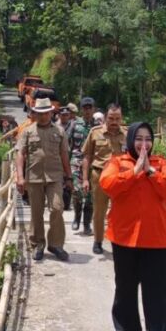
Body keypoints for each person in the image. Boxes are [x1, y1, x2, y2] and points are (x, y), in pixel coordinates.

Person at [99, 121, 166, 331]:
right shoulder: (117, 162)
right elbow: (108, 185)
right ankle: (126, 322)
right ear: (131, 139)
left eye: (148, 139)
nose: (143, 144)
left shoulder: (161, 164)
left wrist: (150, 173)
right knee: (125, 284)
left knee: (156, 294)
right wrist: (134, 171)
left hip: (156, 239)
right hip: (124, 237)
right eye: (139, 139)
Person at [15, 98, 73, 261]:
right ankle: (37, 244)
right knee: (36, 212)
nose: (43, 116)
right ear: (35, 113)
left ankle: (55, 244)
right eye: (39, 113)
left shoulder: (59, 131)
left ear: (51, 113)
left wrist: (69, 177)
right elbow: (20, 154)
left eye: (46, 113)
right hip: (34, 177)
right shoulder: (27, 131)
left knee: (56, 208)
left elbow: (64, 155)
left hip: (55, 177)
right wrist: (20, 177)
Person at [82, 104, 127, 254]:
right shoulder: (95, 132)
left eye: (117, 118)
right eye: (111, 118)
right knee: (99, 211)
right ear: (105, 117)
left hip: (121, 178)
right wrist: (85, 179)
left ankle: (118, 241)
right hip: (99, 175)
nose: (114, 121)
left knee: (120, 211)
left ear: (121, 118)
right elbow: (87, 157)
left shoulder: (127, 134)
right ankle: (98, 241)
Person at [69, 97, 96, 235]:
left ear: (93, 109)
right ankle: (76, 218)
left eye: (89, 107)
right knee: (77, 191)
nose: (87, 110)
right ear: (81, 109)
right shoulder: (74, 124)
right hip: (76, 161)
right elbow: (68, 145)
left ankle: (87, 224)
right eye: (85, 108)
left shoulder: (98, 126)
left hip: (93, 163)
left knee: (91, 195)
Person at [58, 105, 75, 211]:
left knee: (69, 179)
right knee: (59, 180)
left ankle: (67, 203)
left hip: (71, 156)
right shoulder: (55, 126)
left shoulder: (74, 126)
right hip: (58, 157)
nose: (64, 117)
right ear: (59, 115)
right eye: (63, 115)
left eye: (67, 115)